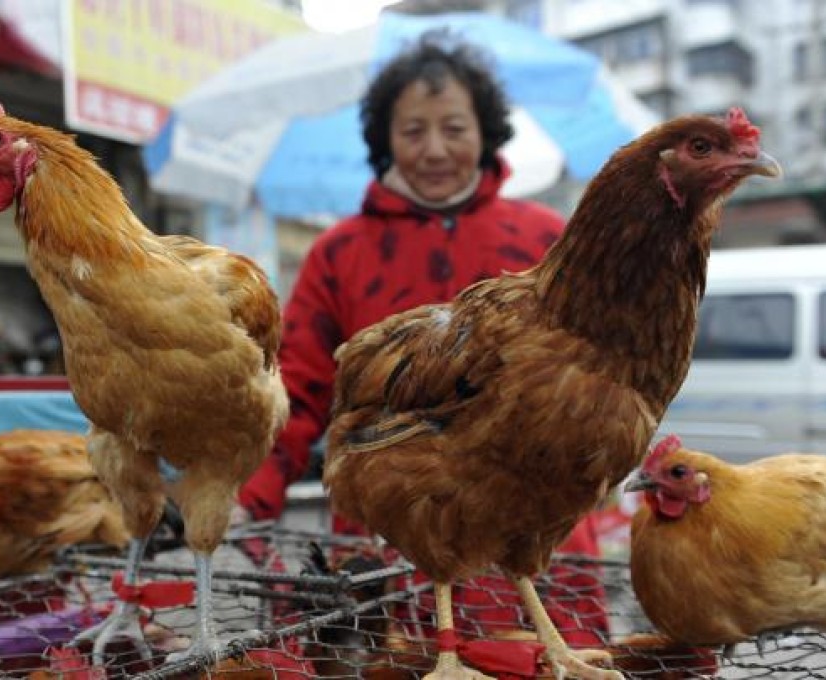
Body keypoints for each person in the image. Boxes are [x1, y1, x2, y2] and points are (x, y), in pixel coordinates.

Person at [237, 29, 608, 652]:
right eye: (413, 131)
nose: (435, 149)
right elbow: (295, 388)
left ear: (485, 132)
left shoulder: (550, 240)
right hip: (394, 525)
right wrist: (249, 499)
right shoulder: (339, 252)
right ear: (385, 138)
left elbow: (603, 372)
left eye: (454, 128)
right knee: (400, 662)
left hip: (537, 525)